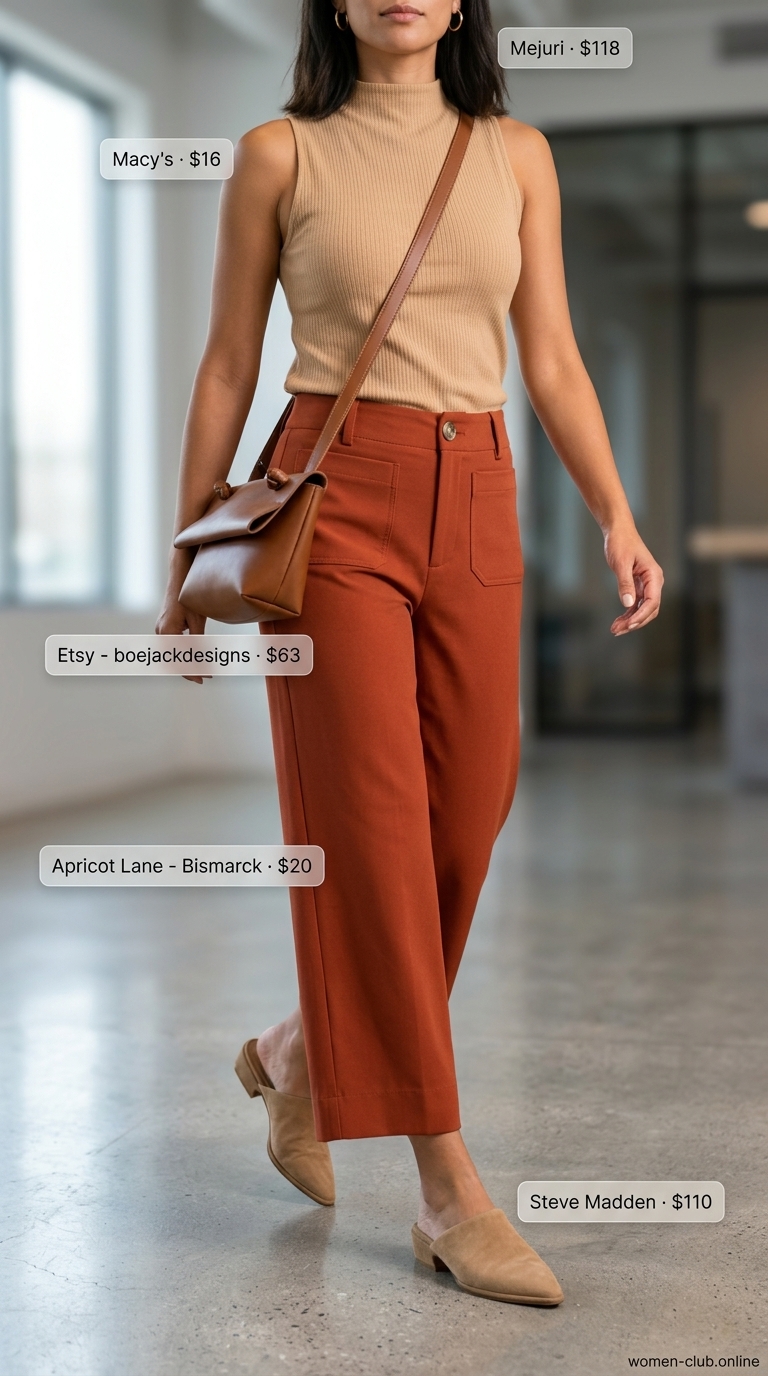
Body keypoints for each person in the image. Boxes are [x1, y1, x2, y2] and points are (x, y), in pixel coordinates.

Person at [157, 0, 663, 1306]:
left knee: (470, 810)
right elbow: (227, 363)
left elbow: (547, 356)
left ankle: (298, 1055)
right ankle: (447, 1187)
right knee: (375, 829)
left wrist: (614, 510)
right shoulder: (281, 153)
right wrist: (183, 555)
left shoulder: (517, 154)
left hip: (480, 490)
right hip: (337, 499)